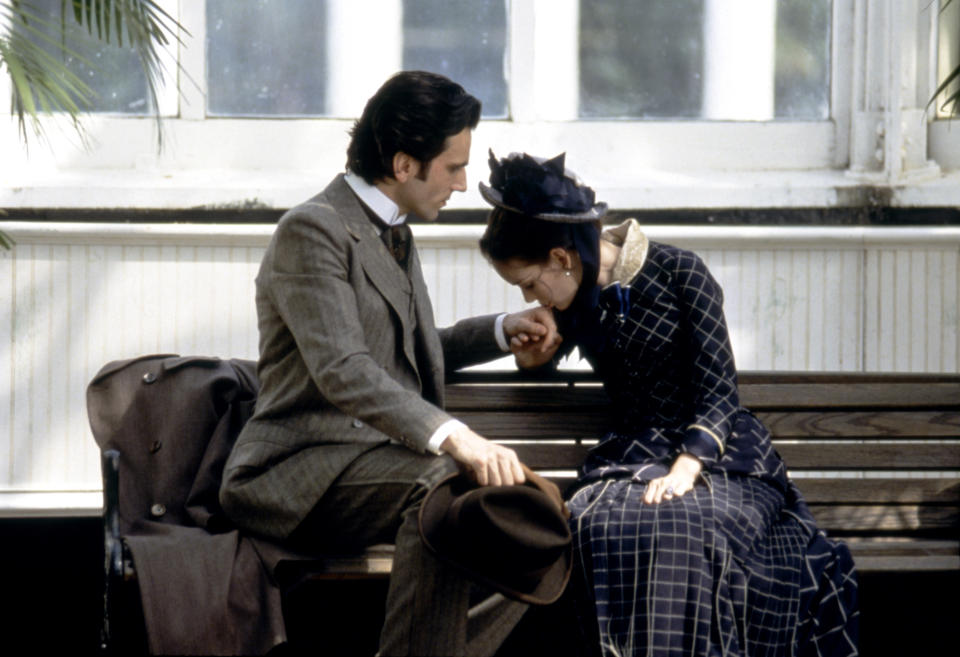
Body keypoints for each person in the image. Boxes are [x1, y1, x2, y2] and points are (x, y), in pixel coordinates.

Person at [218, 71, 562, 657]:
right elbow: (345, 370)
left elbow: (400, 354)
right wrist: (460, 440)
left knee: (535, 512)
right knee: (447, 485)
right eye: (453, 167)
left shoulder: (395, 232)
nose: (461, 183)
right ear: (404, 165)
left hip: (374, 465)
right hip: (297, 473)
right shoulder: (313, 230)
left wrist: (503, 333)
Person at [477, 151, 859, 656]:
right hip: (631, 460)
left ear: (561, 258)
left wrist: (688, 464)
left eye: (530, 283)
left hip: (721, 457)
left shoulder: (680, 271)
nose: (534, 299)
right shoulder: (574, 300)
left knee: (685, 527)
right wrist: (534, 356)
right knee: (603, 527)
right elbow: (545, 355)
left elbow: (720, 390)